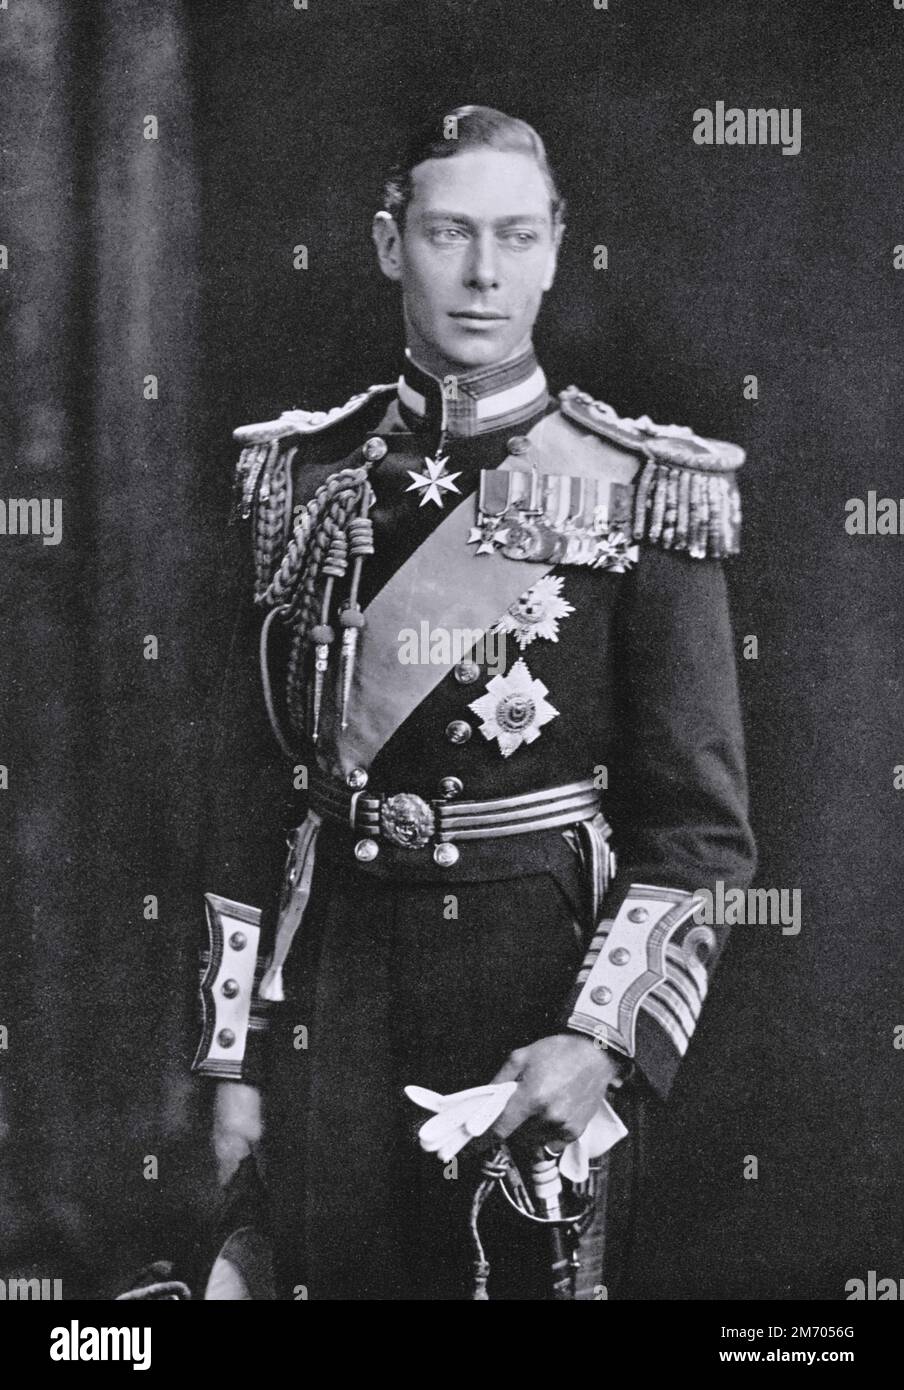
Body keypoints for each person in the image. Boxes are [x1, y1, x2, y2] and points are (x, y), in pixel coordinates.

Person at [193, 104, 756, 1301]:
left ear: (556, 248)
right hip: (331, 991)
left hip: (536, 985)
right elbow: (251, 789)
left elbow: (699, 835)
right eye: (449, 232)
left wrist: (600, 1041)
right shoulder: (298, 477)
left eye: (514, 235)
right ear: (392, 245)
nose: (483, 272)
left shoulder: (644, 492)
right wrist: (231, 1057)